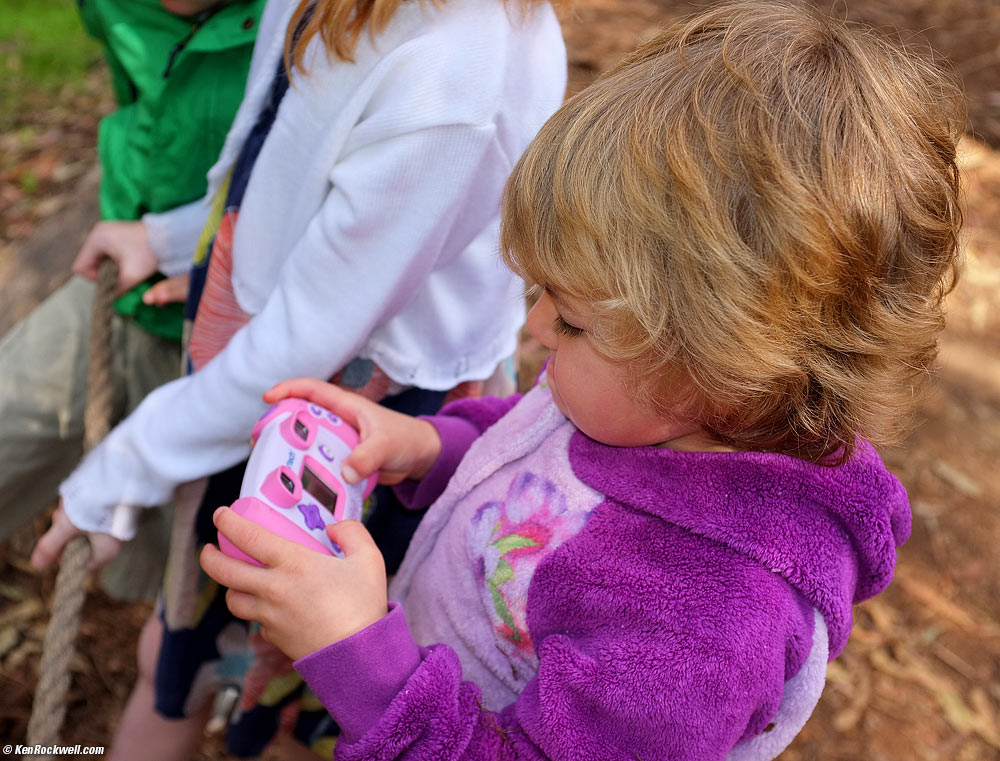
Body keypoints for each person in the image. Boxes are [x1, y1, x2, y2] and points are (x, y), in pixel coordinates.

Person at [201, 2, 965, 758]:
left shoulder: (699, 632)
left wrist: (362, 659)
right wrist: (428, 444)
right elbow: (540, 435)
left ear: (727, 365)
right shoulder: (646, 396)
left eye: (569, 321)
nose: (537, 330)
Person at [31, 0, 567, 757]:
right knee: (192, 639)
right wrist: (174, 236)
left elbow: (307, 342)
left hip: (347, 411)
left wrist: (121, 467)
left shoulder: (452, 68)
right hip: (260, 370)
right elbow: (288, 151)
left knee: (293, 660)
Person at [0, 0, 265, 600]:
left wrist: (190, 247)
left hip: (238, 343)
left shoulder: (308, 25)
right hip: (120, 285)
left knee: (178, 577)